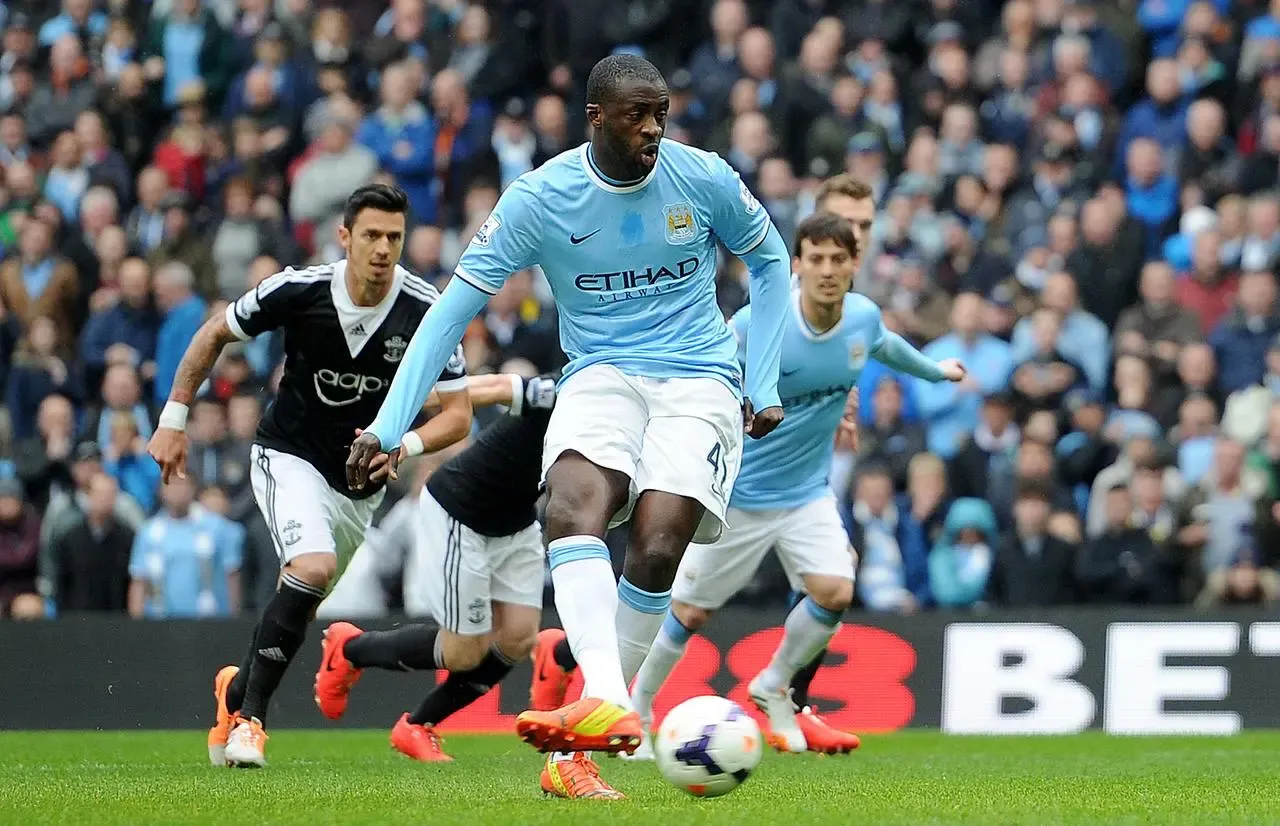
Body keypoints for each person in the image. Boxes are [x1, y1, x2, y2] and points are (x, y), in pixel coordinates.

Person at [348, 54, 792, 800]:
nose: (653, 128)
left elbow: (771, 258)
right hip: (601, 373)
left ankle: (591, 723)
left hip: (699, 376)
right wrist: (389, 426)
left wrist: (764, 378)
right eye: (636, 115)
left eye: (661, 113)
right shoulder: (540, 199)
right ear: (595, 116)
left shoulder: (704, 176)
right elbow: (449, 314)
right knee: (569, 507)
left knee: (655, 543)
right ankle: (610, 708)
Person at [147, 184, 474, 769]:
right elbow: (215, 333)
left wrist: (408, 443)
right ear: (344, 237)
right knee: (311, 568)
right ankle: (251, 724)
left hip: (359, 489)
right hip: (288, 454)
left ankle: (234, 693)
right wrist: (175, 418)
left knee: (302, 594)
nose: (382, 248)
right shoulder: (298, 289)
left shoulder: (427, 309)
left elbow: (459, 414)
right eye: (371, 235)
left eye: (393, 237)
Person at [626, 212, 961, 755]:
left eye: (838, 260)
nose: (827, 271)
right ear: (796, 266)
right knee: (689, 612)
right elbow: (701, 374)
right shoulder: (758, 324)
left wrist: (936, 371)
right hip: (740, 498)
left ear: (854, 266)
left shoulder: (862, 319)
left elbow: (887, 346)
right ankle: (638, 710)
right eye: (816, 260)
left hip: (806, 493)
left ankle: (774, 681)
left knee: (834, 590)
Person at [313, 372, 557, 766]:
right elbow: (486, 389)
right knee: (463, 652)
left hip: (516, 522)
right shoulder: (561, 391)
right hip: (461, 512)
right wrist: (391, 426)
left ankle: (418, 725)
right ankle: (350, 649)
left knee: (517, 638)